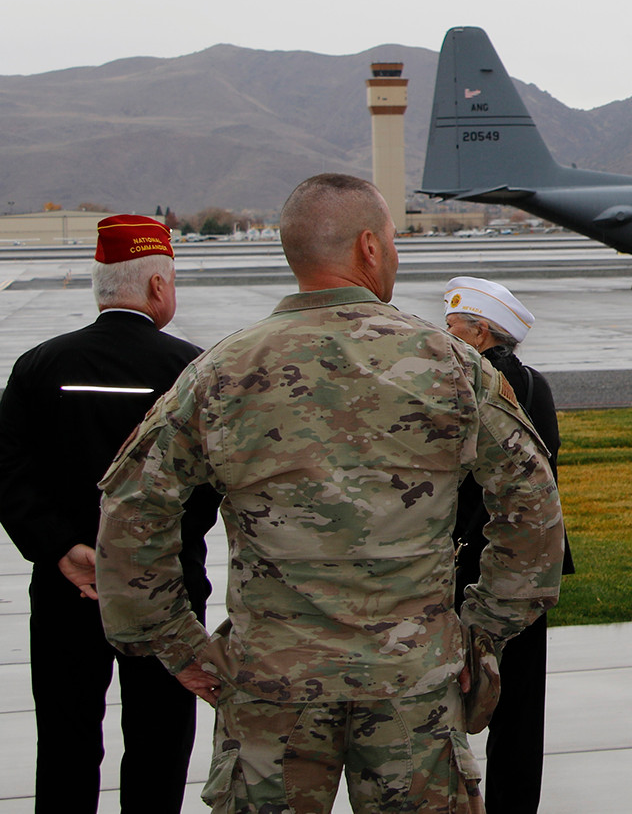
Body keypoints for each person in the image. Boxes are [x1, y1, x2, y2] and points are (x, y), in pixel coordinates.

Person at [93, 174, 566, 813]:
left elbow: (130, 514)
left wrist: (177, 644)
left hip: (271, 693)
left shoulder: (218, 373)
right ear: (369, 247)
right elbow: (533, 508)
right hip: (413, 690)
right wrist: (482, 632)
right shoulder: (451, 364)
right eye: (393, 241)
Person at [0, 213, 216, 814]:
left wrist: (63, 549)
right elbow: (211, 484)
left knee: (67, 741)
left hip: (68, 591)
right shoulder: (191, 372)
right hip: (164, 593)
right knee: (160, 741)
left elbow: (11, 472)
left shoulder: (39, 366)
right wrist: (144, 558)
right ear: (156, 286)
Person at [443, 276, 574, 814]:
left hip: (468, 561)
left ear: (479, 334)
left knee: (444, 704)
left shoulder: (464, 386)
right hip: (529, 567)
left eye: (451, 328)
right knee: (521, 709)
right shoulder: (535, 385)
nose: (443, 336)